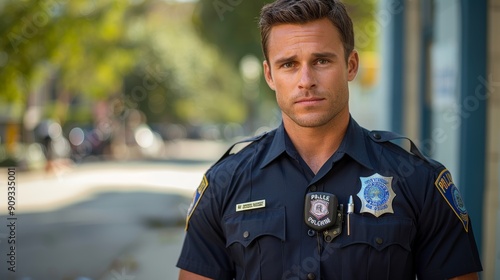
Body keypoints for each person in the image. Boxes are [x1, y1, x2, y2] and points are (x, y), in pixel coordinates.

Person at [176, 0, 483, 279]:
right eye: (289, 64)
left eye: (321, 61)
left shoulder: (418, 181)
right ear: (269, 75)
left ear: (351, 65)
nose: (306, 80)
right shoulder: (225, 184)